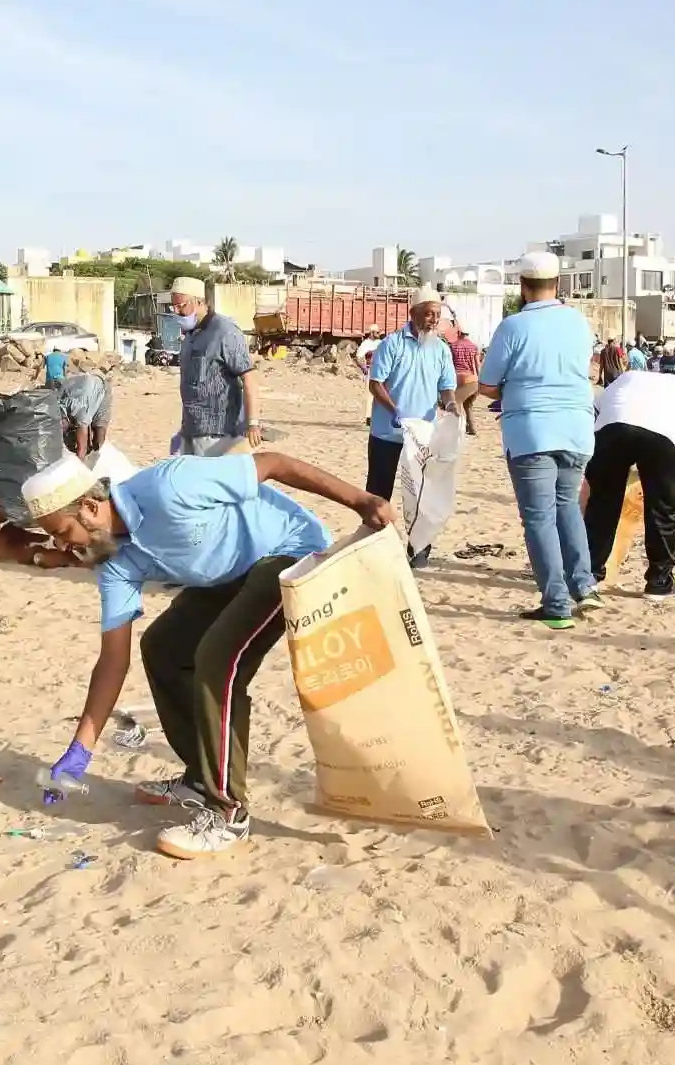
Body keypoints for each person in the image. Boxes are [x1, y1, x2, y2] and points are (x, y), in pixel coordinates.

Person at [24, 449, 397, 859]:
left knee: (217, 663)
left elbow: (273, 464)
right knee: (162, 648)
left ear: (90, 507)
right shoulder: (113, 562)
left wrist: (361, 501)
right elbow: (114, 658)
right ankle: (200, 779)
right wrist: (81, 749)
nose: (61, 545)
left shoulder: (170, 487)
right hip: (226, 576)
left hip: (288, 553)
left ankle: (228, 813)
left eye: (62, 532)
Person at [478, 250, 598, 628]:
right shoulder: (579, 322)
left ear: (522, 286)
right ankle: (586, 586)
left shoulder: (513, 326)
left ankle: (557, 603)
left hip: (532, 430)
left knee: (539, 518)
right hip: (577, 428)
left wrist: (512, 391)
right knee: (568, 508)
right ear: (558, 284)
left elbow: (485, 385)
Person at [584, 367, 675, 602]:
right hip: (662, 437)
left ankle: (589, 574)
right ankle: (658, 582)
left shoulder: (622, 381)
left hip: (613, 429)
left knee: (602, 505)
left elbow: (594, 417)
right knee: (664, 511)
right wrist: (666, 486)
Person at [367, 286, 458, 566]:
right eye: (428, 314)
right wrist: (395, 411)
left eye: (437, 315)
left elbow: (447, 387)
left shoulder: (441, 349)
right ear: (413, 313)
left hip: (422, 436)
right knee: (379, 491)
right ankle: (373, 545)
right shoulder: (392, 343)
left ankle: (418, 550)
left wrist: (452, 404)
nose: (433, 319)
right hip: (387, 433)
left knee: (421, 495)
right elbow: (375, 383)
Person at [170, 277, 263, 455]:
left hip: (220, 435)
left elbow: (249, 378)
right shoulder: (190, 335)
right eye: (173, 306)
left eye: (181, 305)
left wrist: (253, 424)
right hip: (192, 430)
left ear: (198, 301)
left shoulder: (225, 331)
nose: (176, 311)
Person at [57, 371, 113, 458]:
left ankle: (96, 457)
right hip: (79, 382)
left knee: (99, 431)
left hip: (101, 387)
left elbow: (81, 449)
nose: (61, 429)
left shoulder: (80, 411)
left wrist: (79, 467)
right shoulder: (55, 404)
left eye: (62, 427)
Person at [449, 323, 483, 436]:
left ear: (458, 333)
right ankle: (472, 428)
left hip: (460, 379)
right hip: (473, 380)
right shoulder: (474, 346)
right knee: (468, 405)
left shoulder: (453, 346)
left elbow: (450, 365)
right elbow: (477, 365)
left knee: (456, 403)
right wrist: (480, 381)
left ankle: (458, 429)